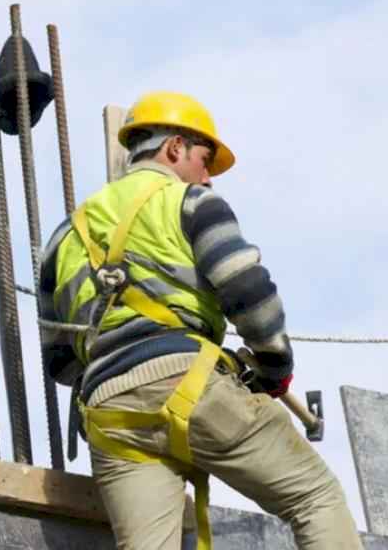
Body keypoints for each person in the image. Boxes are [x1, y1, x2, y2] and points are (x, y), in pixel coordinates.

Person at [39, 91, 363, 549]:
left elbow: (60, 362)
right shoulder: (190, 202)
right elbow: (247, 290)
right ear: (174, 149)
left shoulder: (63, 237)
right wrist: (273, 367)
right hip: (187, 385)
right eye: (205, 160)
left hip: (109, 414)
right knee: (316, 498)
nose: (208, 177)